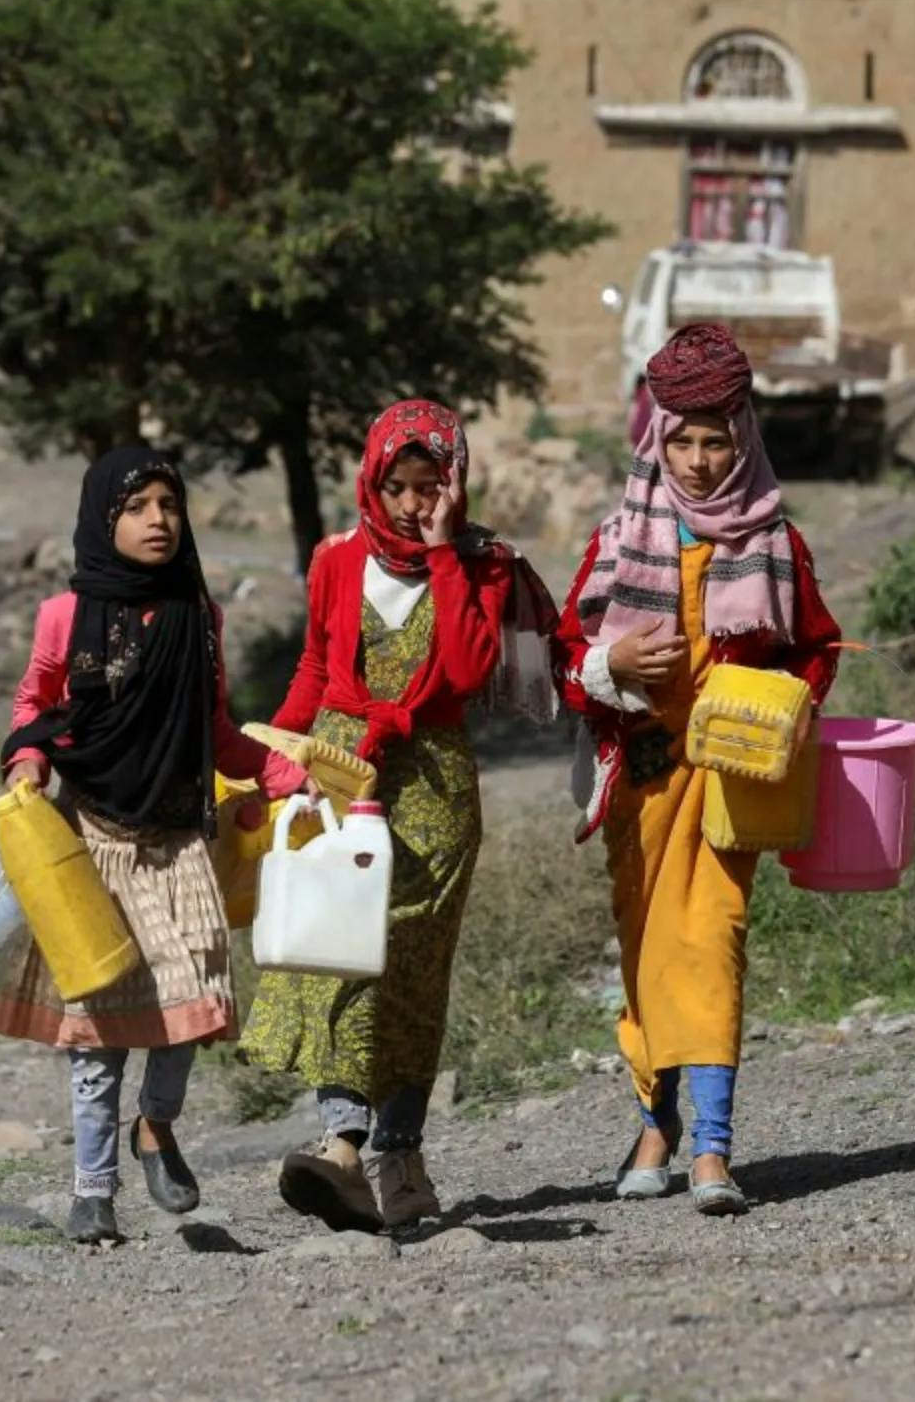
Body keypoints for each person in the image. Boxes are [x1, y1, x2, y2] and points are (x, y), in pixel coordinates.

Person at [243, 399, 557, 1232]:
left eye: (433, 487)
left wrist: (449, 553)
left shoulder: (483, 568)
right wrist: (284, 750)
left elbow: (460, 672)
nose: (416, 506)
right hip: (345, 775)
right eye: (402, 487)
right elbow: (315, 665)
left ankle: (400, 1150)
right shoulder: (337, 562)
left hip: (433, 791)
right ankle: (344, 1144)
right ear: (372, 483)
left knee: (413, 970)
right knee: (338, 951)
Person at [557, 324, 843, 1217]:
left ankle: (713, 1149)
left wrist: (783, 705)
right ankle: (655, 1126)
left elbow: (817, 650)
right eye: (680, 439)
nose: (699, 459)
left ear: (744, 436)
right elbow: (571, 656)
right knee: (646, 953)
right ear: (655, 438)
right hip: (643, 776)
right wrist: (614, 672)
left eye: (716, 439)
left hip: (730, 783)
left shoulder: (775, 542)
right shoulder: (615, 543)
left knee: (711, 940)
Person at [0, 447, 310, 1245]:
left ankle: (156, 1129)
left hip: (178, 842)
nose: (158, 521)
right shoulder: (64, 617)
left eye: (169, 506)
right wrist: (28, 764)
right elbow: (35, 708)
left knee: (193, 1010)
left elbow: (212, 730)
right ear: (104, 520)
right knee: (98, 1037)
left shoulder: (197, 615)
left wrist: (283, 776)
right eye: (138, 509)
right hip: (94, 845)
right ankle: (91, 1192)